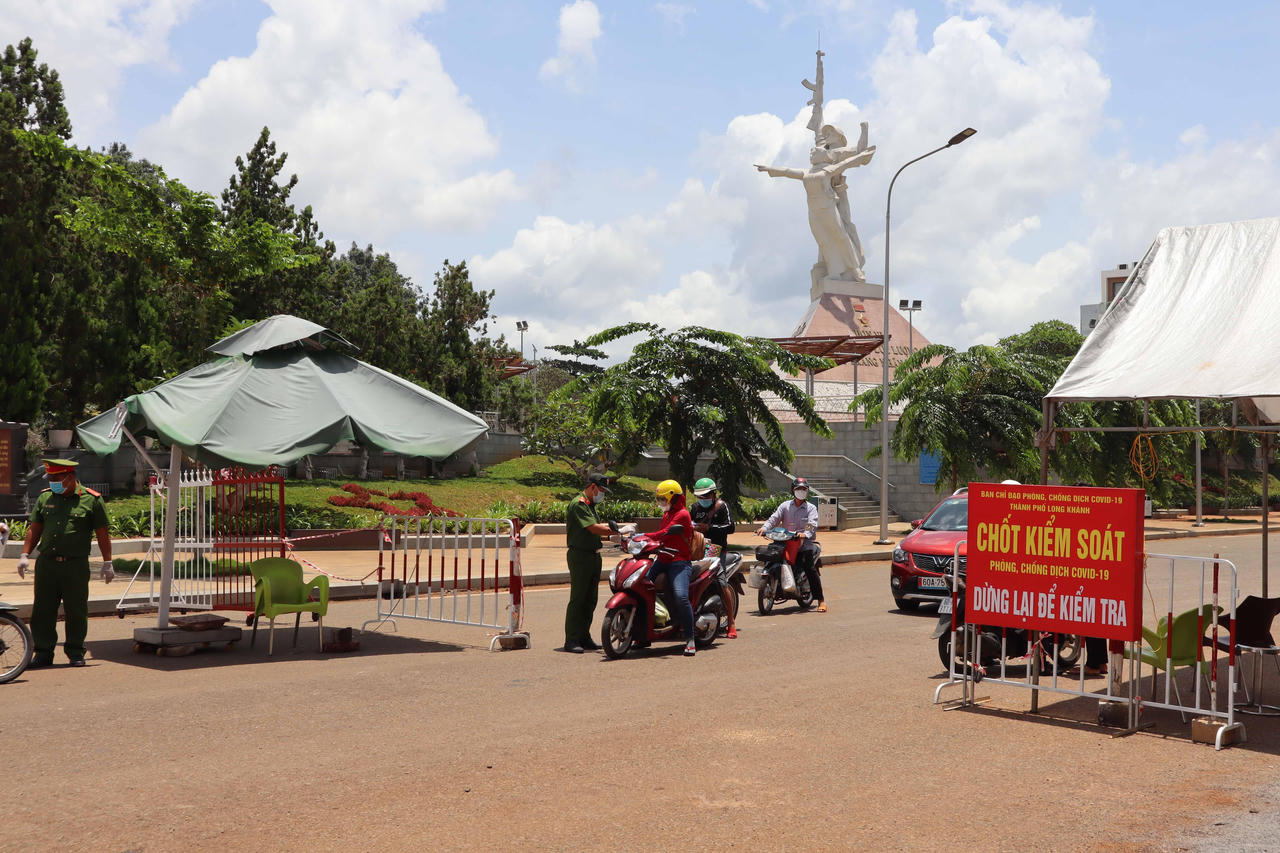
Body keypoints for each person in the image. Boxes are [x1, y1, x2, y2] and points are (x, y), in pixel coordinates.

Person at [18, 458, 113, 667]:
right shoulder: (45, 498)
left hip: (75, 565)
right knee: (43, 610)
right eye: (50, 478)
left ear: (70, 478)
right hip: (47, 564)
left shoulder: (91, 500)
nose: (52, 482)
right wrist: (25, 555)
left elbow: (102, 534)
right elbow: (35, 528)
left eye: (56, 478)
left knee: (76, 609)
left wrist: (108, 562)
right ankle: (43, 652)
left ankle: (76, 651)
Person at [563, 472, 615, 653]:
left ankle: (584, 637)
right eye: (601, 490)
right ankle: (571, 639)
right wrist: (616, 531)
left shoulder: (590, 505)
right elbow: (593, 528)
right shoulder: (579, 504)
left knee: (590, 599)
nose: (603, 494)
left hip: (593, 555)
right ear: (592, 487)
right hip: (580, 556)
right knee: (578, 598)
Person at [758, 477, 826, 612]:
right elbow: (774, 519)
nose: (801, 491)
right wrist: (764, 528)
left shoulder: (811, 508)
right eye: (798, 489)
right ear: (793, 491)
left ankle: (821, 600)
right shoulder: (785, 506)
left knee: (810, 569)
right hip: (784, 543)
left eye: (804, 489)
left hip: (803, 545)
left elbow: (812, 524)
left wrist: (805, 534)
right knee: (769, 559)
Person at [648, 479, 698, 656]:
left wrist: (644, 535)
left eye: (664, 499)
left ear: (674, 498)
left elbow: (664, 533)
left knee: (681, 597)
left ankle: (690, 639)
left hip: (679, 563)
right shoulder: (667, 514)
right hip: (662, 559)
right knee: (641, 584)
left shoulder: (683, 515)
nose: (661, 503)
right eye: (659, 499)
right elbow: (661, 538)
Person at [690, 477, 738, 639]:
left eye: (705, 496)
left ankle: (731, 622)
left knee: (721, 581)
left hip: (716, 550)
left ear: (713, 494)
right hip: (697, 549)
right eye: (700, 497)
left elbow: (730, 527)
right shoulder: (694, 508)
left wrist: (708, 528)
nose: (702, 500)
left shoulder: (722, 506)